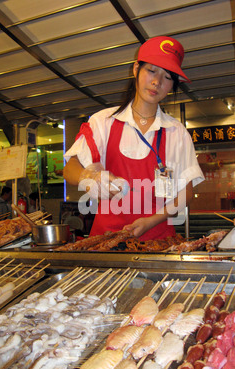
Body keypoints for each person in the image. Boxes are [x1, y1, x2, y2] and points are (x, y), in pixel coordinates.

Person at [63, 36, 204, 240]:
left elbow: (186, 193)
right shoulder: (103, 122)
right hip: (107, 240)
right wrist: (90, 177)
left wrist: (151, 221)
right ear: (136, 69)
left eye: (167, 77)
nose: (157, 82)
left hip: (159, 242)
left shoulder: (177, 132)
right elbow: (70, 169)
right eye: (152, 71)